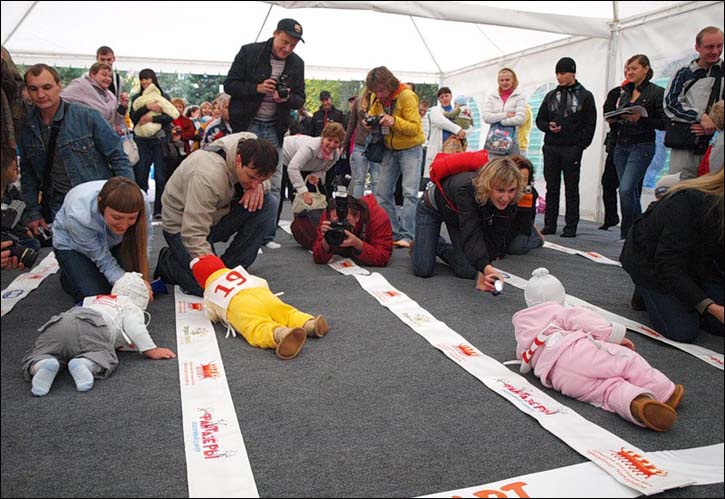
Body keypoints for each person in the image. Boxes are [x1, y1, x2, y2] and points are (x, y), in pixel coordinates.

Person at [513, 268, 683, 432]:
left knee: (608, 390)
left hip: (559, 379)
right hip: (578, 353)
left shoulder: (523, 327)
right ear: (561, 295)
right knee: (628, 361)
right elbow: (590, 322)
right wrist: (615, 336)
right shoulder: (560, 311)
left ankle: (637, 404)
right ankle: (665, 392)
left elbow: (522, 354)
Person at [154, 133, 278, 297]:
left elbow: (261, 178)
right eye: (252, 178)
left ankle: (233, 267)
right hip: (182, 226)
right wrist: (215, 276)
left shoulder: (251, 144)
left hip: (216, 215)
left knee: (269, 203)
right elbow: (193, 234)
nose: (255, 184)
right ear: (239, 161)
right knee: (208, 289)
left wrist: (259, 187)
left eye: (261, 180)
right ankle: (168, 262)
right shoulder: (207, 176)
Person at [18, 64, 133, 231]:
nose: (41, 94)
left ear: (59, 86)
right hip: (59, 209)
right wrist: (33, 213)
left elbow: (118, 157)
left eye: (47, 87)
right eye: (33, 89)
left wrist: (127, 201)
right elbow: (28, 173)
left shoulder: (86, 116)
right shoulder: (27, 125)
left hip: (97, 204)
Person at [21, 272, 175, 397]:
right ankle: (86, 364)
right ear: (141, 298)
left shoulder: (95, 300)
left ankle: (42, 364)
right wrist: (151, 350)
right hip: (93, 327)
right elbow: (135, 328)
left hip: (63, 320)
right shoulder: (130, 306)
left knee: (46, 348)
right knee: (102, 353)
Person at [224, 18, 306, 248]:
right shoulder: (250, 52)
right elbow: (229, 84)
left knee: (275, 182)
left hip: (275, 127)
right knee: (244, 180)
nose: (287, 48)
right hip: (247, 124)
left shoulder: (297, 64)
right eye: (285, 42)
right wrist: (257, 88)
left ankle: (266, 235)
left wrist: (287, 97)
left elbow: (301, 98)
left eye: (293, 45)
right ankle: (243, 233)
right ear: (275, 34)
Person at [620, 169, 724, 343]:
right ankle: (644, 293)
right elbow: (668, 264)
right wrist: (712, 307)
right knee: (683, 331)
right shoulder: (688, 201)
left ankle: (691, 298)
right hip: (651, 262)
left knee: (719, 326)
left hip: (698, 260)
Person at [412, 156, 523, 292]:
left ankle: (436, 245)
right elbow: (472, 233)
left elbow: (496, 236)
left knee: (468, 270)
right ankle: (421, 243)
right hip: (431, 207)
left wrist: (485, 272)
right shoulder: (466, 190)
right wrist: (487, 269)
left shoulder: (512, 199)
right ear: (488, 186)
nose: (506, 197)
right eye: (500, 190)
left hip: (455, 214)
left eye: (511, 190)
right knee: (423, 269)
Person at [190, 255, 328, 360]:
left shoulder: (209, 291)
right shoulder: (237, 273)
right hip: (262, 293)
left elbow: (211, 314)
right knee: (286, 312)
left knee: (257, 326)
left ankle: (281, 334)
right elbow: (261, 282)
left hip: (242, 305)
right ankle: (310, 324)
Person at [52, 177, 152, 303]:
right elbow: (103, 259)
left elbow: (144, 242)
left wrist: (138, 281)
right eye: (117, 217)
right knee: (97, 298)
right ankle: (68, 274)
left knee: (124, 288)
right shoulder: (78, 213)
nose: (124, 225)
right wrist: (126, 282)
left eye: (132, 218)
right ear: (101, 204)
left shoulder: (141, 201)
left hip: (114, 241)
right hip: (73, 246)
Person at [535, 57, 597, 238]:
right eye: (557, 74)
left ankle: (571, 226)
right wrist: (548, 127)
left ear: (573, 73)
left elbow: (590, 123)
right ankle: (550, 224)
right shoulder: (551, 96)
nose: (559, 77)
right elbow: (540, 119)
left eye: (563, 73)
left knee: (572, 187)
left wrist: (580, 146)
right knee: (551, 187)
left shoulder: (585, 95)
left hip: (572, 148)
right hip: (551, 147)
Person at [365, 66, 425, 248]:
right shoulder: (376, 97)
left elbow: (415, 128)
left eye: (382, 90)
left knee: (409, 193)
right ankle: (393, 232)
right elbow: (375, 117)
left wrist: (394, 121)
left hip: (411, 149)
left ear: (390, 84)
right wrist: (370, 122)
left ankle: (409, 235)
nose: (379, 94)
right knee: (382, 193)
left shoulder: (407, 96)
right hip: (389, 149)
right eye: (375, 91)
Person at [611, 55, 667, 240]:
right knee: (630, 190)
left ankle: (627, 232)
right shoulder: (624, 91)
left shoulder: (656, 92)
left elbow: (664, 122)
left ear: (646, 69)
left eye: (634, 68)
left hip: (642, 144)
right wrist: (615, 117)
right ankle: (640, 230)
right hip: (621, 144)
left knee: (626, 189)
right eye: (627, 68)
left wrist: (641, 119)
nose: (629, 72)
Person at [664, 26, 724, 180]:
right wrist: (701, 117)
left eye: (720, 46)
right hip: (686, 141)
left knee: (713, 188)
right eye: (709, 47)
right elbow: (670, 104)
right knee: (680, 187)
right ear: (697, 47)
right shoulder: (684, 73)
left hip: (718, 142)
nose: (715, 51)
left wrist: (714, 124)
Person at [130, 69, 178, 218]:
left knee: (160, 176)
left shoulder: (163, 97)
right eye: (142, 79)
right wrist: (147, 108)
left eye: (147, 79)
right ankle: (141, 207)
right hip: (141, 140)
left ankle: (159, 209)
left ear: (153, 80)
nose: (145, 82)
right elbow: (133, 117)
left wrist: (153, 119)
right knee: (141, 175)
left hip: (159, 140)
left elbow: (170, 116)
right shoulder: (137, 97)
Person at [310, 191, 393, 267]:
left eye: (346, 221)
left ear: (357, 216)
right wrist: (326, 241)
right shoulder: (329, 215)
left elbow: (383, 257)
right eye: (336, 221)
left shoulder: (378, 217)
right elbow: (318, 258)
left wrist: (358, 244)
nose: (341, 225)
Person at [284, 123, 345, 206]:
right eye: (329, 140)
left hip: (306, 166)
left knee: (315, 196)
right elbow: (293, 168)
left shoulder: (335, 154)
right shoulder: (310, 147)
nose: (332, 145)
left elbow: (324, 169)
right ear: (323, 138)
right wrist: (303, 191)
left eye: (336, 142)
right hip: (285, 156)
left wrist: (315, 175)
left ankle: (309, 217)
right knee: (284, 193)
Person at [61, 62, 125, 132]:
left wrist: (122, 106)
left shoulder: (110, 95)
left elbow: (115, 121)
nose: (108, 78)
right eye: (104, 75)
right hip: (84, 136)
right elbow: (60, 100)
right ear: (92, 74)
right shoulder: (81, 85)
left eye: (110, 76)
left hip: (105, 136)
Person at [343, 88, 380, 197]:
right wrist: (344, 144)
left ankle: (374, 209)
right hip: (360, 143)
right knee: (359, 180)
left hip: (376, 144)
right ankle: (358, 208)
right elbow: (351, 124)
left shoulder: (381, 101)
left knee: (376, 180)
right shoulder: (358, 102)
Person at [482, 68, 527, 157]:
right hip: (493, 141)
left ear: (513, 80)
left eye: (507, 80)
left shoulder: (519, 96)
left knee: (511, 167)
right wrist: (506, 115)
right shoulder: (493, 96)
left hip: (512, 140)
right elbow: (486, 117)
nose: (504, 83)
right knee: (493, 167)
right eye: (501, 80)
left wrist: (500, 121)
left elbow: (520, 119)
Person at [424, 87, 467, 180]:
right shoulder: (435, 110)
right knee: (436, 177)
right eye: (441, 97)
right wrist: (458, 130)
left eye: (446, 96)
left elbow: (468, 125)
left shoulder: (458, 111)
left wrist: (464, 133)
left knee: (452, 176)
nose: (444, 99)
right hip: (439, 149)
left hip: (454, 149)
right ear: (439, 100)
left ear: (451, 96)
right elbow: (441, 121)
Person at [506, 155, 543, 255]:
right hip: (505, 224)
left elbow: (524, 220)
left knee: (516, 249)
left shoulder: (529, 194)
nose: (522, 183)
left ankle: (535, 238)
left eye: (525, 179)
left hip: (521, 226)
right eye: (518, 179)